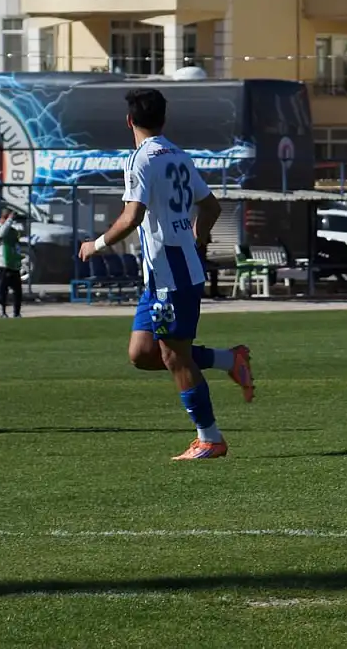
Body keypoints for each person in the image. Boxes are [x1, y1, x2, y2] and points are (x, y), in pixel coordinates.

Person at [78, 88, 256, 460]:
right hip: (163, 274)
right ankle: (229, 360)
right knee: (143, 354)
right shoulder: (178, 154)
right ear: (164, 119)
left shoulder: (140, 159)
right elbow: (210, 206)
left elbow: (132, 216)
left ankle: (210, 438)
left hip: (170, 274)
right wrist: (198, 236)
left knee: (176, 357)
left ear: (130, 121)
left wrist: (95, 245)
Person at [0, 208, 23, 318]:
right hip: (2, 264)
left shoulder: (12, 230)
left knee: (18, 291)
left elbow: (16, 244)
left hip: (13, 264)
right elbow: (1, 234)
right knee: (3, 290)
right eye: (9, 218)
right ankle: (2, 312)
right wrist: (9, 220)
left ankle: (16, 313)